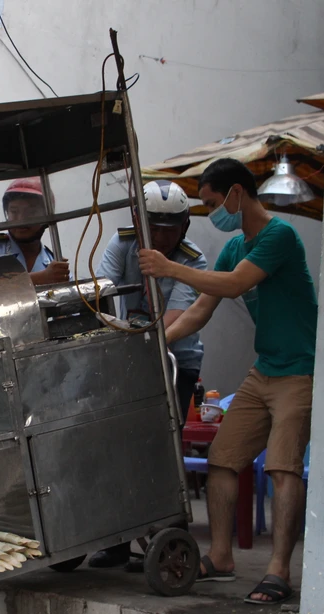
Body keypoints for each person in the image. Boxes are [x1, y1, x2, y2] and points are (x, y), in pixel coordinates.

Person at [138, 158, 317, 606]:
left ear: (237, 193)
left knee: (283, 467)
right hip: (265, 368)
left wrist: (171, 268)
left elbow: (235, 285)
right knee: (222, 460)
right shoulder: (235, 246)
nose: (212, 212)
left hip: (301, 370)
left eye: (213, 202)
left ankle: (278, 571)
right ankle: (220, 557)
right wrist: (155, 345)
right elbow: (201, 309)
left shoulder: (279, 236)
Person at [88, 179, 207, 569]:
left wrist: (140, 340)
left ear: (184, 227)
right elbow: (102, 292)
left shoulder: (193, 260)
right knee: (117, 445)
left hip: (174, 361)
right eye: (154, 227)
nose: (162, 236)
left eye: (171, 229)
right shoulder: (122, 243)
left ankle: (170, 539)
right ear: (139, 223)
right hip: (126, 358)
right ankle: (118, 540)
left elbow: (176, 319)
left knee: (162, 447)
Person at [0, 177, 70, 285]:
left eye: (31, 212)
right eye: (14, 212)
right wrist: (40, 278)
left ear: (46, 217)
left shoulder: (53, 262)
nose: (21, 219)